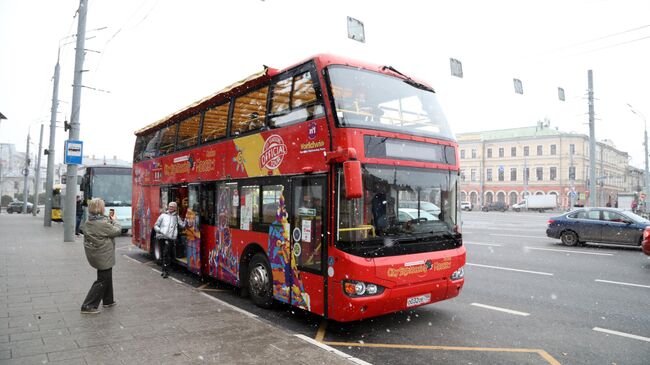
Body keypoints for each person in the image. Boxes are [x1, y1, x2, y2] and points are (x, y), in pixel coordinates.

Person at [80, 198, 121, 314]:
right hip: (103, 255)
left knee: (107, 276)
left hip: (97, 254)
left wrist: (108, 220)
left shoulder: (90, 221)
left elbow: (103, 228)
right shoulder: (102, 224)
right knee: (102, 280)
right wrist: (115, 221)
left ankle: (108, 300)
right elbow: (117, 231)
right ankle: (88, 305)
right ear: (100, 209)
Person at [154, 201, 186, 278]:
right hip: (161, 237)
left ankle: (165, 271)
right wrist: (160, 230)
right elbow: (155, 225)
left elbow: (182, 225)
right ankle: (164, 270)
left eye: (172, 207)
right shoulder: (163, 215)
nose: (171, 208)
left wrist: (187, 219)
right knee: (164, 254)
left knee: (166, 253)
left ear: (175, 208)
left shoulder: (176, 217)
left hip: (170, 238)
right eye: (170, 206)